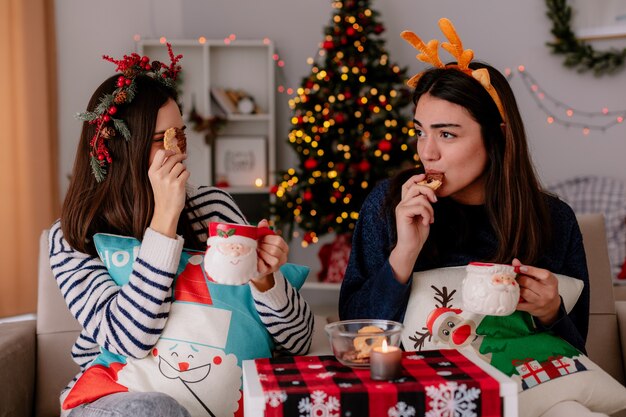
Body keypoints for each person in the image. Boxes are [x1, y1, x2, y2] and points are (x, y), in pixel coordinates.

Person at [338, 19, 613, 416]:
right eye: (420, 131)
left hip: (524, 396)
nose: (427, 152)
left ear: (496, 137)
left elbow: (574, 356)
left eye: (447, 134)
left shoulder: (553, 220)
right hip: (416, 396)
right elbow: (357, 338)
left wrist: (552, 311)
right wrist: (404, 255)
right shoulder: (390, 204)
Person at [49, 45, 313, 417]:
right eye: (162, 140)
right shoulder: (73, 235)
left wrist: (267, 283)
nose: (180, 152)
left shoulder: (213, 209)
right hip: (114, 400)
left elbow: (300, 342)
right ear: (120, 146)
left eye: (181, 136)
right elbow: (128, 338)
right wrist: (165, 219)